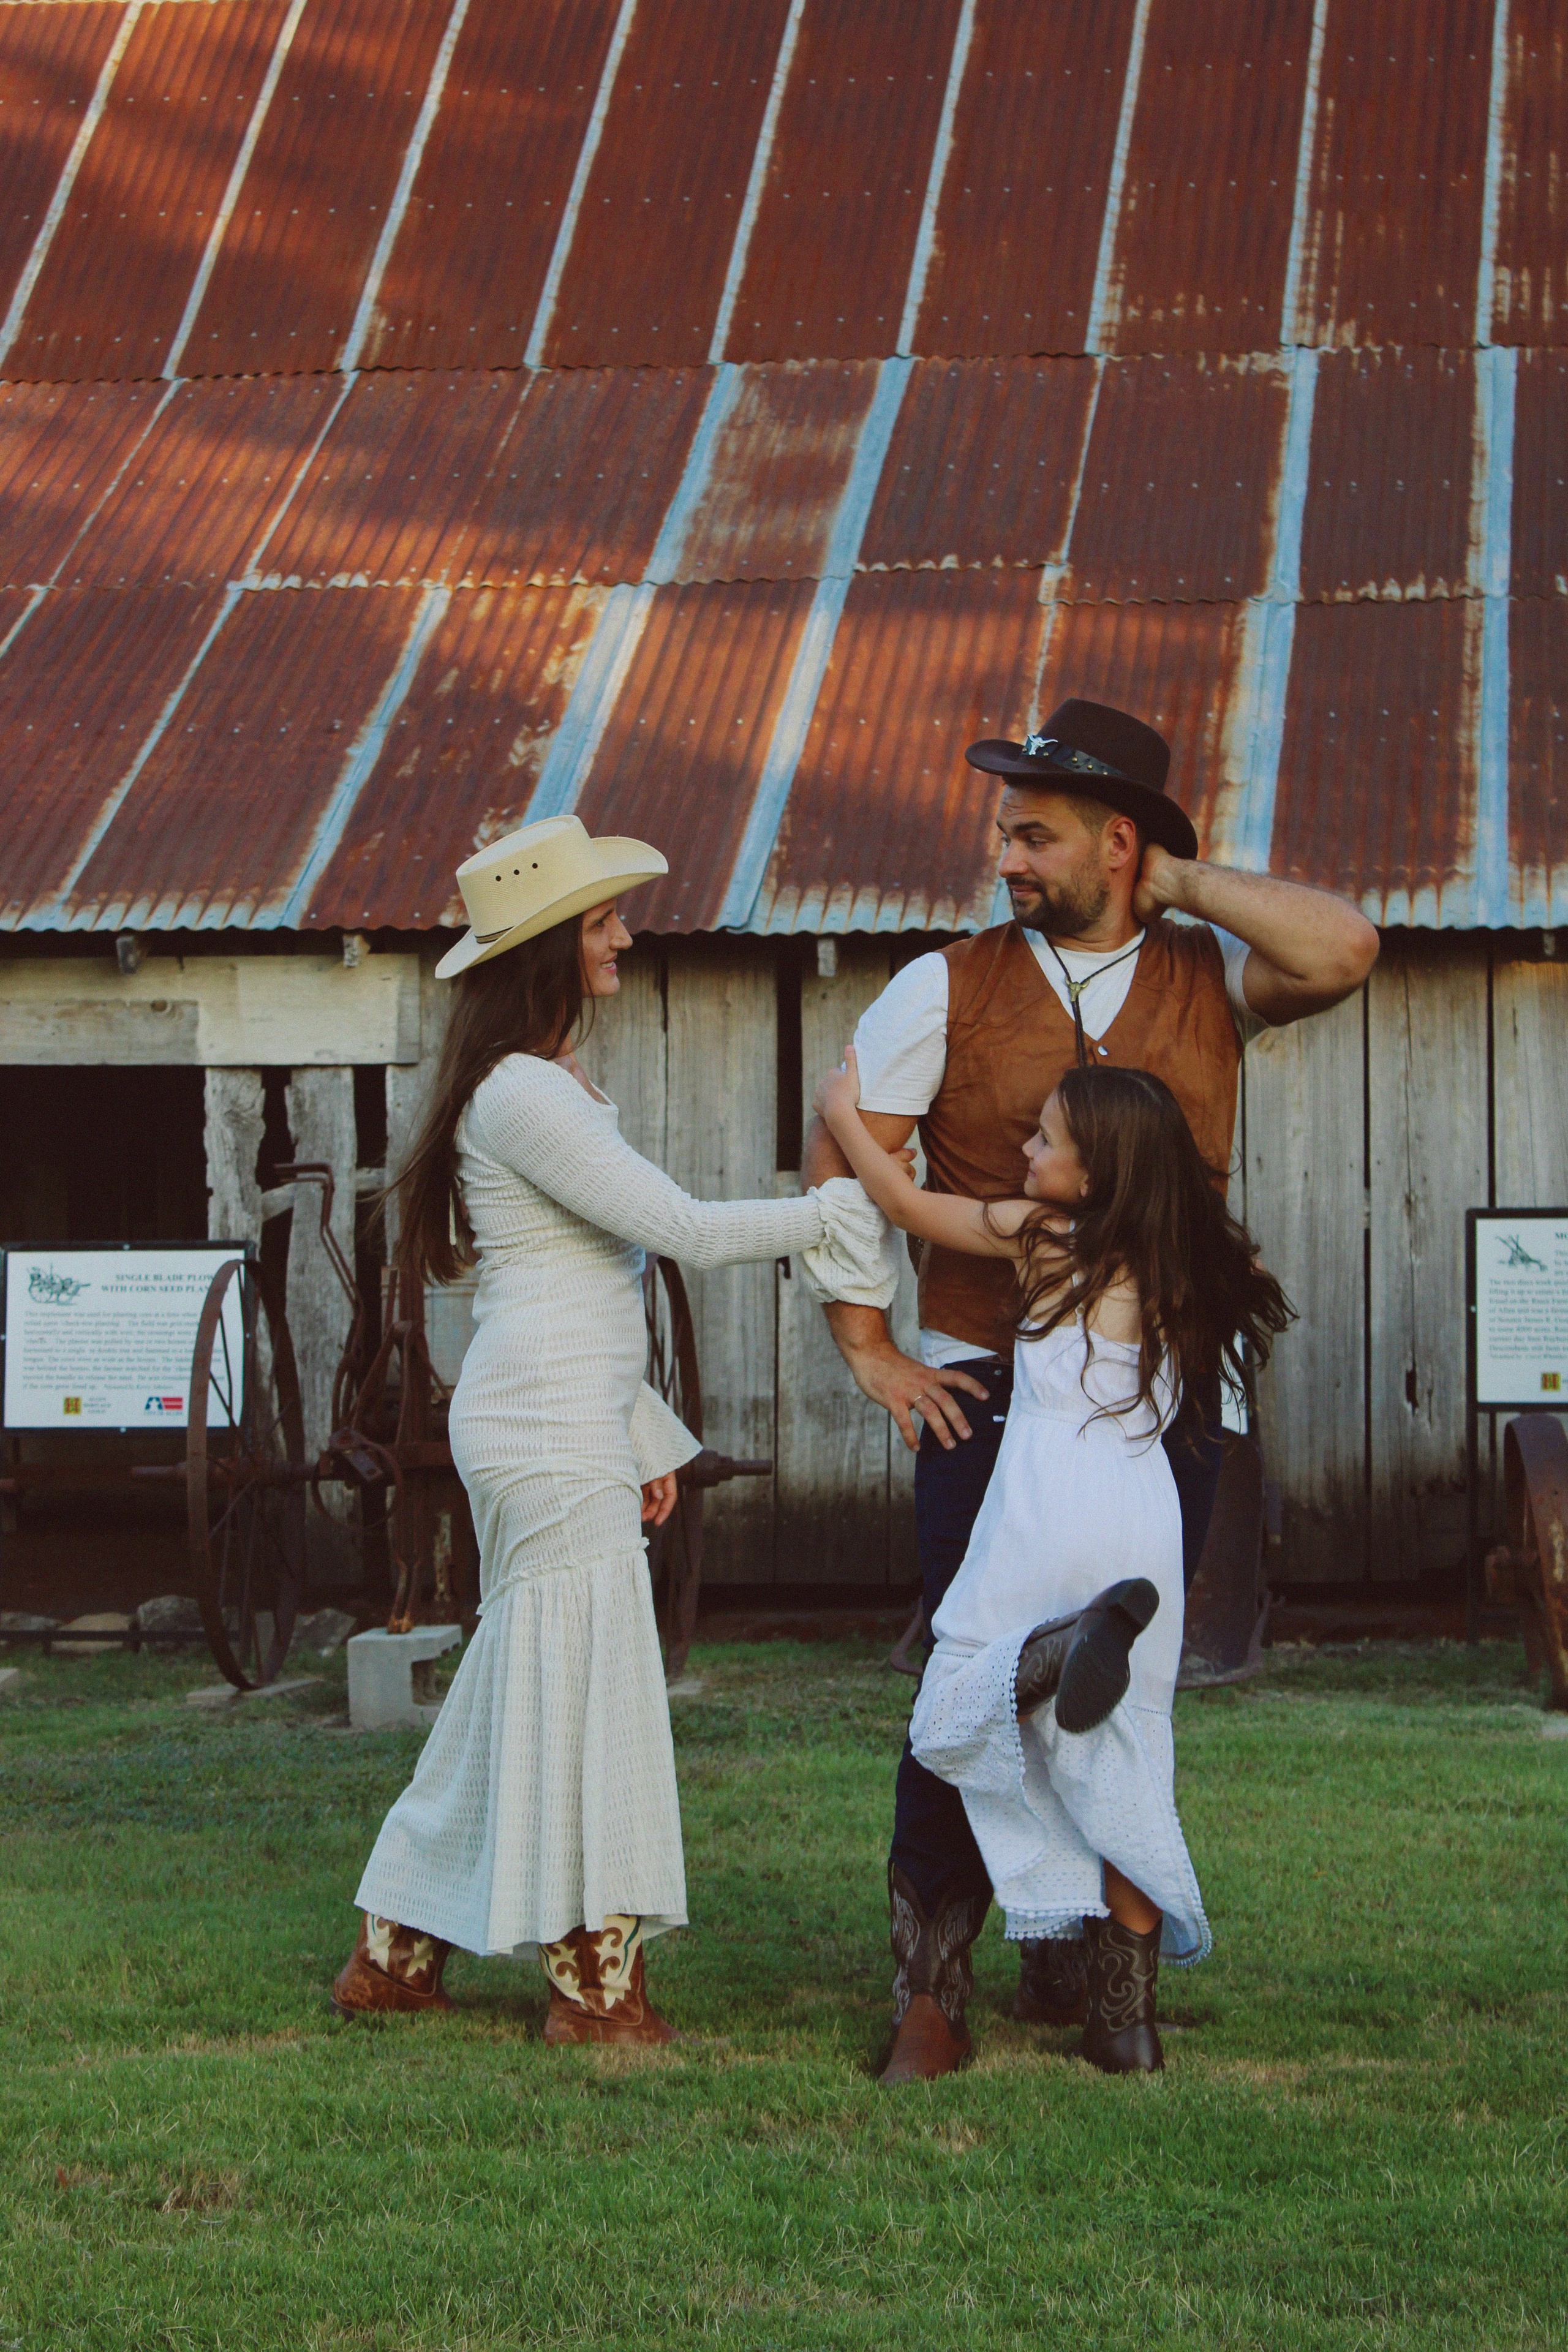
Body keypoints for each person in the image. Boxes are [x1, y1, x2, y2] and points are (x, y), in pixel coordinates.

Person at [799, 697, 1379, 2081]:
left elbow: (1345, 946)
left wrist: (1178, 882)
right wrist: (867, 1347)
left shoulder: (1208, 980)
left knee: (1118, 1693)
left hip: (1163, 1408)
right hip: (982, 1391)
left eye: (1034, 833)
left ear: (1114, 845)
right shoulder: (941, 985)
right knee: (968, 1665)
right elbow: (847, 1172)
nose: (1004, 856)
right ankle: (930, 1980)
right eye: (1004, 830)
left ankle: (1095, 1974)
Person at [332, 815, 873, 2045]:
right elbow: (675, 1229)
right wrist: (841, 1217)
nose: (623, 935)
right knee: (586, 1685)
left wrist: (641, 1430)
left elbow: (578, 1280)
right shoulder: (524, 1094)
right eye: (600, 921)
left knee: (520, 1681)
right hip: (540, 1422)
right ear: (546, 950)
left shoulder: (537, 1087)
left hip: (557, 1411)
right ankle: (592, 1987)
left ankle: (397, 1952)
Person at [815, 1050, 1291, 2071]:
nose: (1023, 1151)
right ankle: (1125, 2023)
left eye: (1044, 1140)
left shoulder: (1043, 1239)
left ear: (1091, 1173)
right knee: (1129, 1754)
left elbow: (902, 1198)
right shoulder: (1190, 1266)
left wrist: (842, 1113)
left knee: (950, 1704)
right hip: (1139, 1518)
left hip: (1042, 1502)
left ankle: (1047, 1656)